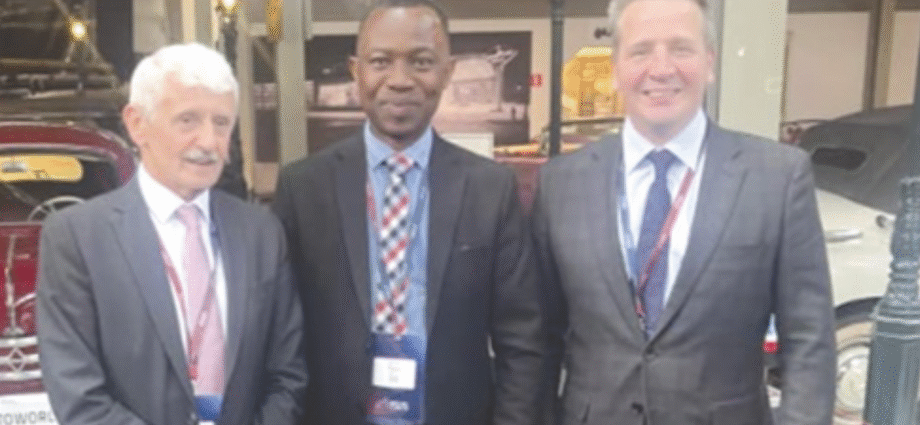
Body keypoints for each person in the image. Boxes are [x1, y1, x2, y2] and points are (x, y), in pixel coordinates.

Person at [533, 0, 835, 423]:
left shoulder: (776, 178)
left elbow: (809, 338)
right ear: (616, 68)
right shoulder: (561, 183)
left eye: (681, 48)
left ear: (709, 62)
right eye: (640, 51)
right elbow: (541, 338)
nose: (661, 69)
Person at [273, 1, 544, 424]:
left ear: (447, 72)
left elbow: (522, 339)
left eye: (421, 62)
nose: (399, 80)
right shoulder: (303, 188)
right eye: (381, 61)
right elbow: (280, 340)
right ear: (356, 71)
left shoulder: (490, 189)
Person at [37, 42, 307, 425]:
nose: (209, 142)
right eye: (188, 121)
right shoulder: (78, 239)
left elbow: (288, 375)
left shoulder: (261, 233)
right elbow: (78, 394)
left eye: (221, 123)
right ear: (137, 124)